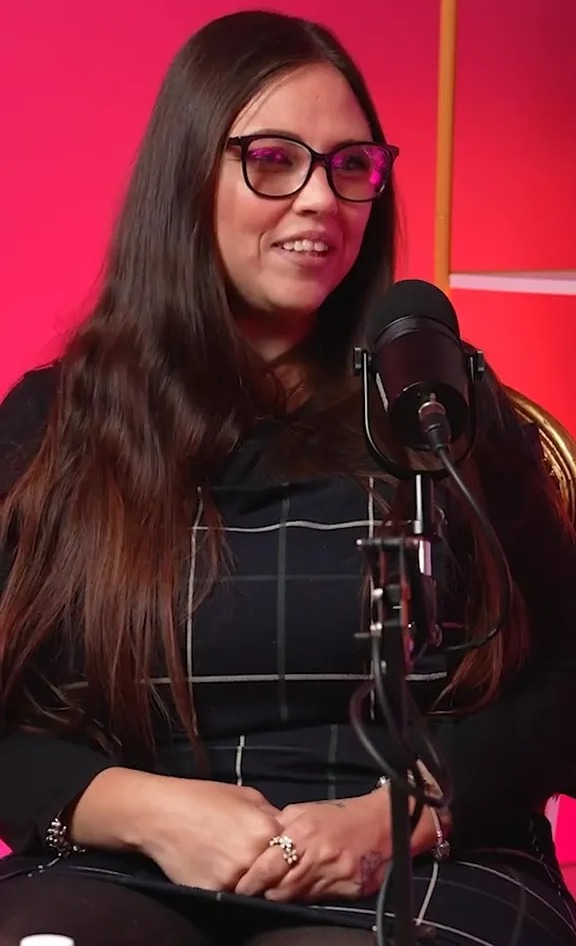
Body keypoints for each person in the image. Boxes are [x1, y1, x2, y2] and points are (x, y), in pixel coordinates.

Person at [0, 8, 575, 946]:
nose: (320, 199)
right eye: (274, 158)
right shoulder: (56, 427)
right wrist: (141, 810)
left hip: (428, 863)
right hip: (128, 862)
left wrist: (401, 818)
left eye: (351, 166)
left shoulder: (440, 411)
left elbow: (561, 681)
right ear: (190, 176)